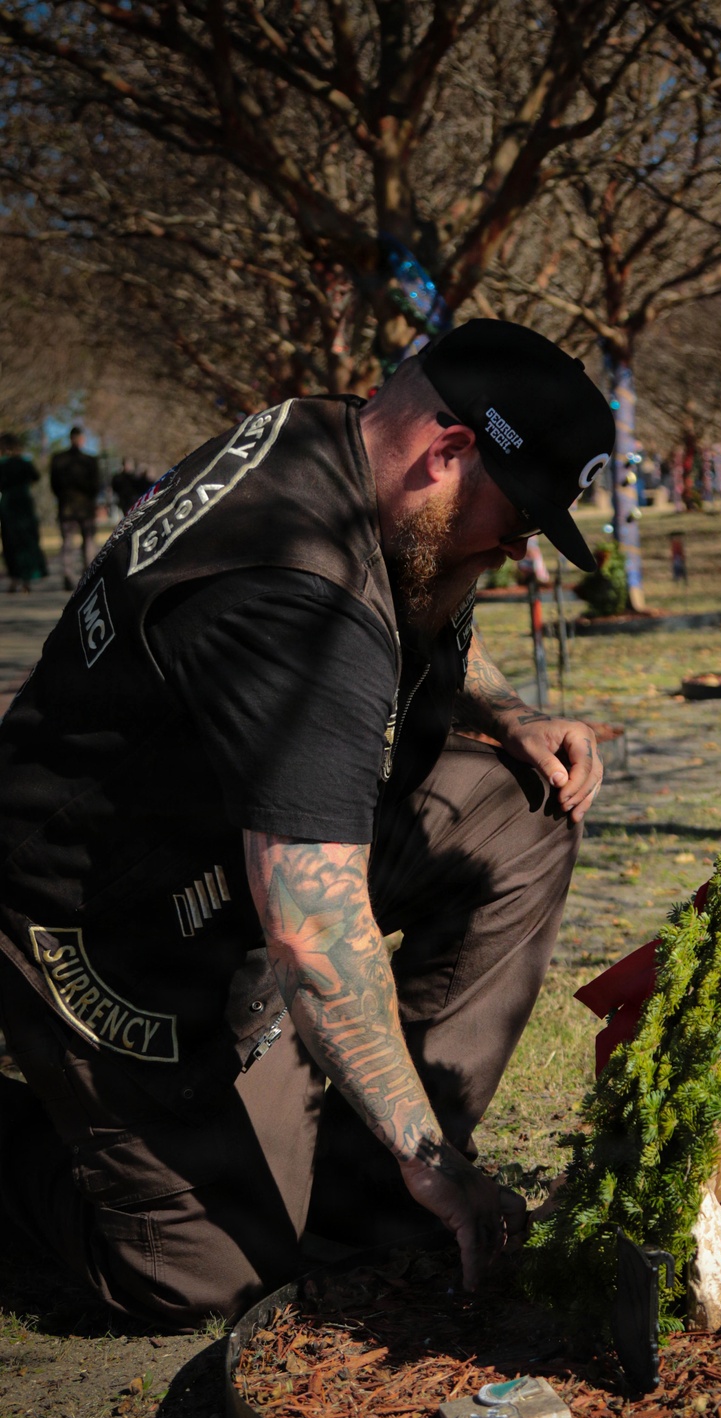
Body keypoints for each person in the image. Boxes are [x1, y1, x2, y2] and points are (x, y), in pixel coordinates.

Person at [0, 320, 614, 1329]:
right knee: (201, 1276)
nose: (517, 548)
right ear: (448, 451)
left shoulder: (330, 441)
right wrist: (431, 1157)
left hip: (228, 859)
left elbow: (428, 614)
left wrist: (508, 713)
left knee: (521, 806)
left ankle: (372, 1194)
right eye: (516, 518)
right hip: (101, 917)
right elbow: (314, 931)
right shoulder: (297, 604)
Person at [49, 425, 101, 590]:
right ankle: (88, 575)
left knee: (67, 543)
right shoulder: (89, 461)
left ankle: (68, 575)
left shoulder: (58, 459)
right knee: (88, 541)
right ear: (82, 439)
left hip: (67, 506)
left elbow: (54, 485)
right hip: (84, 507)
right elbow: (96, 485)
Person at [0, 434, 47, 593]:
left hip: (8, 506)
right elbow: (35, 477)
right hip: (24, 505)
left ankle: (15, 578)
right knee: (26, 541)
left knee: (10, 543)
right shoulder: (24, 463)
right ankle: (26, 579)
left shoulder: (2, 465)